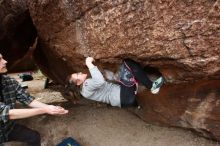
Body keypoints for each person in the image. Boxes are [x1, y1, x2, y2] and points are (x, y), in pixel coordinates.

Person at [0, 53, 68, 146]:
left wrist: (50, 107)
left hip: (8, 128)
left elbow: (28, 99)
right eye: (0, 59)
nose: (5, 61)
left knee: (34, 137)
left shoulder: (9, 81)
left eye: (3, 58)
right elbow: (7, 113)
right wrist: (44, 110)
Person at [67, 57, 164, 107]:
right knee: (127, 63)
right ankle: (151, 86)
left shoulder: (84, 91)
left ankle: (136, 103)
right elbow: (100, 81)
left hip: (123, 100)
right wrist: (89, 63)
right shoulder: (86, 85)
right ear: (78, 83)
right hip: (124, 96)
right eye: (77, 75)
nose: (79, 72)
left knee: (124, 73)